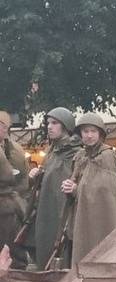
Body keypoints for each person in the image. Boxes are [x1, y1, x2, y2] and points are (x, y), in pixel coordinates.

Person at [61, 113, 116, 266]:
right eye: (85, 131)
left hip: (102, 219)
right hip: (83, 215)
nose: (89, 135)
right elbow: (79, 180)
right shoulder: (81, 156)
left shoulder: (106, 156)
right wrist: (69, 185)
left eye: (93, 131)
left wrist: (77, 189)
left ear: (100, 134)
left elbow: (104, 191)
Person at [31, 108, 81, 270]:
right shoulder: (52, 153)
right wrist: (37, 175)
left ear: (65, 126)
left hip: (65, 215)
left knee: (63, 258)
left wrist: (76, 188)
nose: (49, 127)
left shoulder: (76, 153)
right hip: (47, 213)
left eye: (54, 123)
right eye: (48, 123)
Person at [0, 111, 28, 269]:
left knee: (10, 249)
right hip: (8, 204)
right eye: (2, 126)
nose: (5, 129)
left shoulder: (14, 149)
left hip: (9, 204)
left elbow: (12, 176)